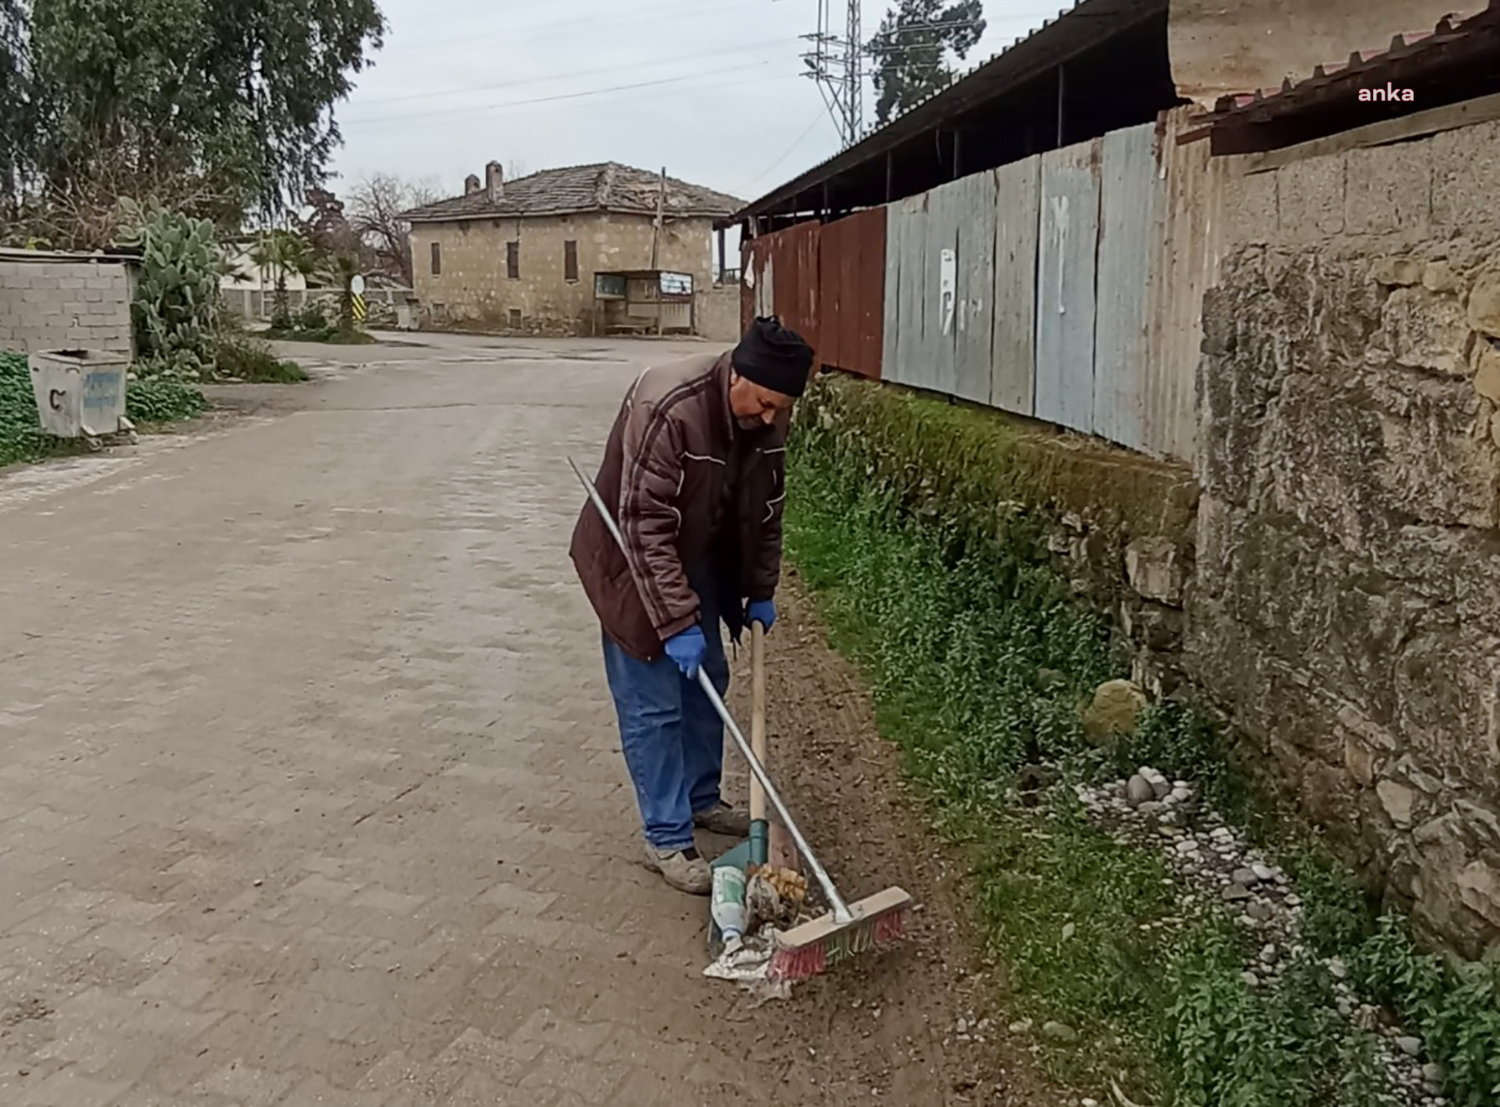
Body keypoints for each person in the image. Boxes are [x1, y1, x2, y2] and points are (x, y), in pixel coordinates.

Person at [569, 317, 815, 894]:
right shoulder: (669, 407)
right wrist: (676, 623)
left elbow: (766, 515)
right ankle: (667, 836)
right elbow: (644, 526)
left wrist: (760, 590)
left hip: (696, 554)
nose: (771, 418)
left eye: (782, 408)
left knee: (709, 680)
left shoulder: (766, 422)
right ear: (738, 378)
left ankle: (702, 800)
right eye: (764, 403)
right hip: (630, 558)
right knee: (654, 703)